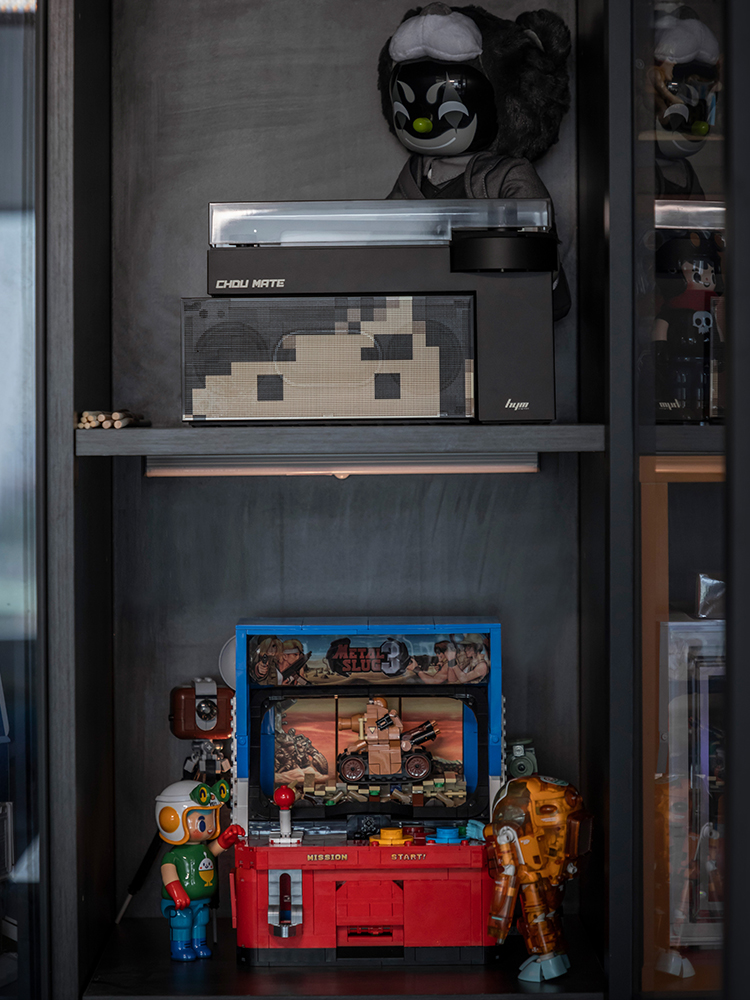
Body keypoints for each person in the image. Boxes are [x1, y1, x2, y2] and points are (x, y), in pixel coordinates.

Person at [155, 779, 244, 961]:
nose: (209, 828)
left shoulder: (203, 849)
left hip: (201, 900)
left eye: (211, 819)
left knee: (201, 920)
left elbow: (212, 852)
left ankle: (199, 944)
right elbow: (168, 874)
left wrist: (225, 841)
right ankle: (180, 947)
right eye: (203, 822)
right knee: (182, 922)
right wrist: (177, 892)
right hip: (181, 903)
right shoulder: (173, 856)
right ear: (173, 821)